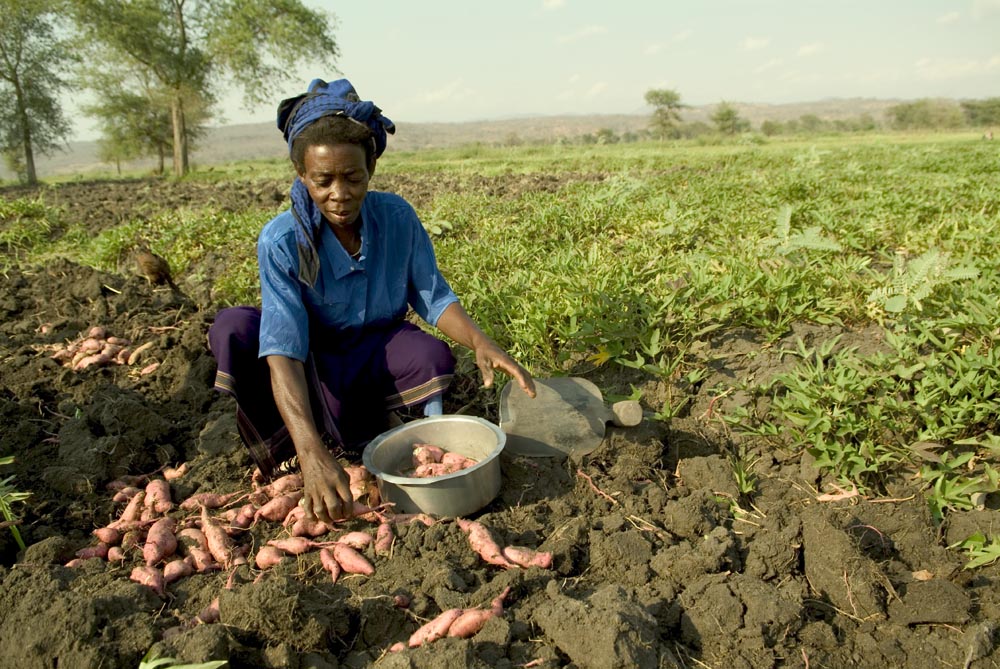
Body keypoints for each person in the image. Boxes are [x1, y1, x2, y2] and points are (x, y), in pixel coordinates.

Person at [208, 78, 535, 524]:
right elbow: (283, 350)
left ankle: (400, 439)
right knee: (234, 329)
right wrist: (310, 452)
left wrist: (481, 341)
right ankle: (293, 451)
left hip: (374, 347)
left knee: (431, 355)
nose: (339, 194)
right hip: (310, 356)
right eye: (322, 181)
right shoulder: (283, 240)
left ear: (371, 170)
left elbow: (433, 296)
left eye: (352, 177)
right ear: (302, 176)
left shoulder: (396, 217)